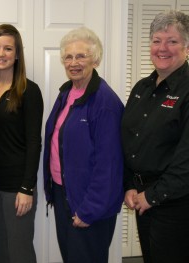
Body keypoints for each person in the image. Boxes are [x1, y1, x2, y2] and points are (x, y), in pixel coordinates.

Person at [122, 10, 189, 263]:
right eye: (157, 40)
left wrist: (153, 196)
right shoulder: (142, 88)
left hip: (179, 204)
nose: (162, 48)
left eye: (172, 41)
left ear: (188, 47)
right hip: (143, 198)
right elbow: (129, 139)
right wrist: (130, 185)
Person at [43, 27, 124, 263]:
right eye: (68, 57)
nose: (74, 62)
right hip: (64, 193)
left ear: (95, 59)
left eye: (81, 56)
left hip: (89, 201)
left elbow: (109, 164)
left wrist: (90, 209)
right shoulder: (66, 93)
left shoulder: (105, 103)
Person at [0, 24, 43, 263]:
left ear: (17, 54)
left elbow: (34, 142)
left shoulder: (29, 91)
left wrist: (27, 188)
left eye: (8, 48)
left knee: (19, 253)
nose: (1, 53)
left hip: (16, 188)